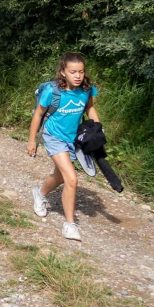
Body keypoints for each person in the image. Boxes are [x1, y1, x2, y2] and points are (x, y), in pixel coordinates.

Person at [27, 52, 101, 241]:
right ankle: (69, 224)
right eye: (73, 72)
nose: (78, 76)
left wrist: (96, 130)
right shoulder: (52, 91)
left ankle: (40, 193)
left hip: (73, 139)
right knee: (71, 178)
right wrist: (31, 140)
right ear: (63, 72)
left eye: (81, 72)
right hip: (53, 137)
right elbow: (38, 114)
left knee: (59, 176)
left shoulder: (86, 89)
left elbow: (90, 108)